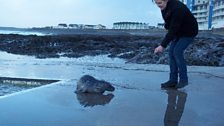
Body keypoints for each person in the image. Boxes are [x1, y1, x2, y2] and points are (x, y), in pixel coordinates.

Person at [153, 0, 198, 88]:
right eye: (156, 3)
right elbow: (169, 22)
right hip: (178, 32)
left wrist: (162, 45)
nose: (158, 5)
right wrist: (167, 25)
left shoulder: (178, 8)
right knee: (171, 53)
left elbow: (174, 27)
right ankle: (172, 80)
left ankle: (183, 80)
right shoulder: (164, 7)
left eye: (160, 3)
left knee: (177, 52)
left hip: (189, 32)